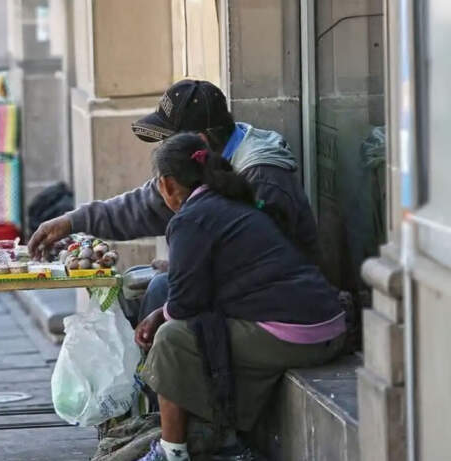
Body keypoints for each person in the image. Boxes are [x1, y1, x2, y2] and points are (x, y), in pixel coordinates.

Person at [27, 80, 319, 323]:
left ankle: (163, 389)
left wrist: (190, 270)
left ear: (199, 141)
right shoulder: (198, 165)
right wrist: (72, 221)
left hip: (281, 303)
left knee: (160, 293)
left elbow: (269, 261)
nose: (162, 149)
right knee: (131, 287)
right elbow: (144, 205)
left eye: (168, 141)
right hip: (238, 285)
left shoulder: (263, 175)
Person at [133, 133, 345, 461]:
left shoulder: (191, 218)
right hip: (326, 324)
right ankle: (222, 438)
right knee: (197, 326)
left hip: (300, 333)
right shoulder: (230, 203)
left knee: (171, 340)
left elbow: (185, 306)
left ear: (167, 185)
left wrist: (158, 315)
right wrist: (164, 308)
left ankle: (172, 452)